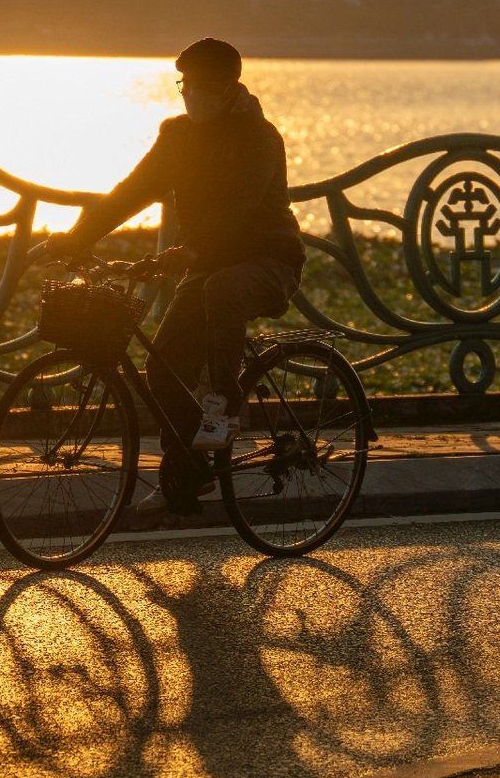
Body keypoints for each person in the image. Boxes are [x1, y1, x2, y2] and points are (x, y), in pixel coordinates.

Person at [40, 37, 305, 515]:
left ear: (229, 89)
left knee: (223, 289)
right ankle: (191, 466)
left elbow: (236, 212)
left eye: (202, 86)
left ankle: (222, 411)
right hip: (206, 264)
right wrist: (77, 238)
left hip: (268, 262)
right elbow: (131, 192)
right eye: (184, 85)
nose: (190, 95)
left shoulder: (259, 139)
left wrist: (192, 250)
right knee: (162, 370)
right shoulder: (178, 136)